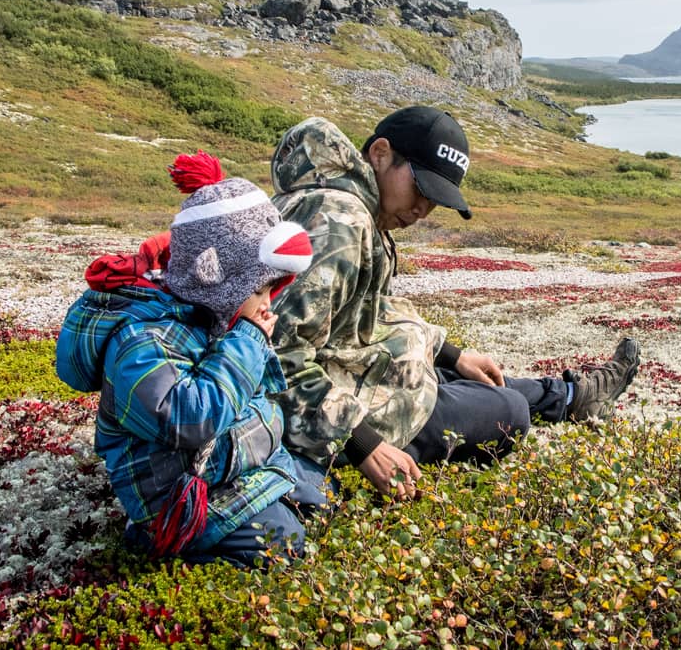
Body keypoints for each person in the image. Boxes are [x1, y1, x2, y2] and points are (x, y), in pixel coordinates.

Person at [268, 105, 640, 501]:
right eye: (421, 189)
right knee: (509, 411)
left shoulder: (348, 206)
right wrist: (364, 446)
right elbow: (277, 358)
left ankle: (570, 397)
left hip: (350, 378)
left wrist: (450, 353)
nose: (422, 211)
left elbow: (365, 316)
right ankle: (566, 399)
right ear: (380, 153)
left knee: (467, 378)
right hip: (328, 415)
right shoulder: (340, 226)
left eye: (435, 200)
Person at [55, 151, 331, 566]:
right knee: (281, 543)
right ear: (216, 278)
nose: (266, 306)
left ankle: (273, 496)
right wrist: (248, 341)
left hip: (228, 467)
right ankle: (154, 543)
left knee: (320, 497)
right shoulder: (140, 340)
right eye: (258, 292)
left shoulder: (211, 317)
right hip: (176, 495)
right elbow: (189, 417)